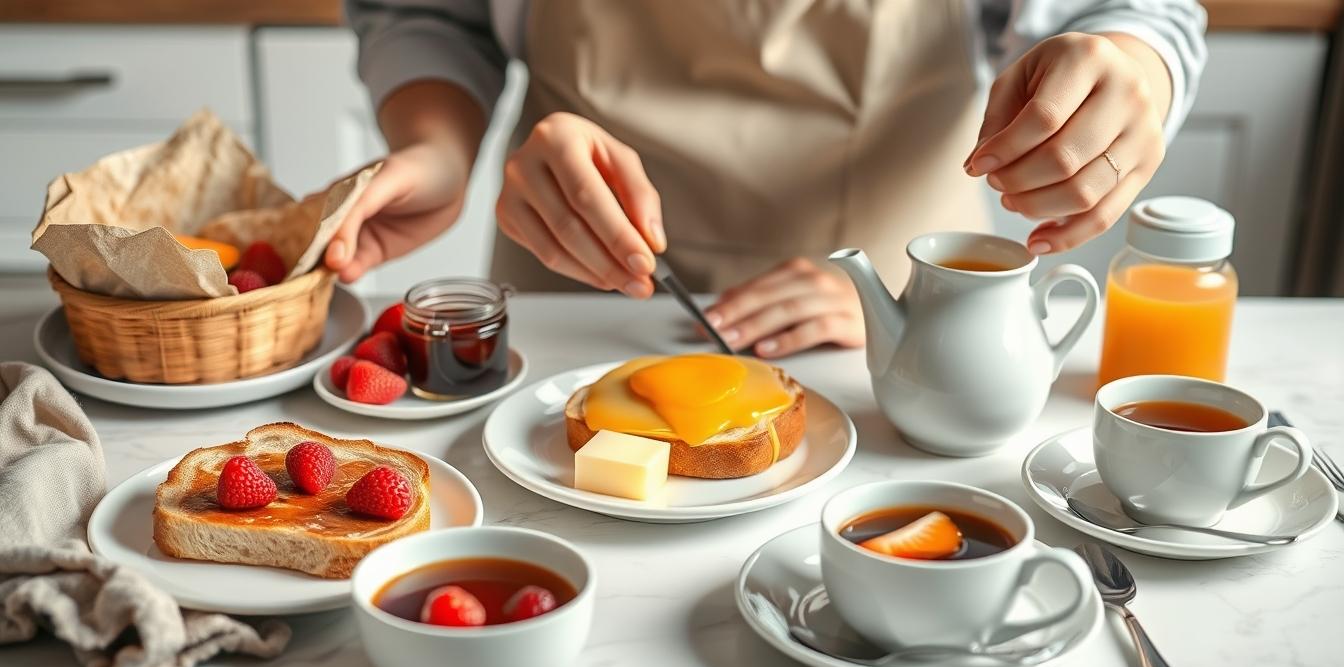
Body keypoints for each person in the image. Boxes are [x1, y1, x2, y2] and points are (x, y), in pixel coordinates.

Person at [332, 0, 1206, 358]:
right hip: (575, 306)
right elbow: (427, 12)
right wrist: (441, 151)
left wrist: (1129, 68)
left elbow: (1135, 11)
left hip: (891, 333)